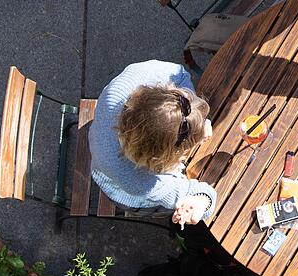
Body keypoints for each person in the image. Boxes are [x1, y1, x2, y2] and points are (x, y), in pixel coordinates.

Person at [89, 60, 216, 227]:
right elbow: (204, 195)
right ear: (164, 157)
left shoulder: (122, 88)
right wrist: (199, 204)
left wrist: (192, 119)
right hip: (121, 191)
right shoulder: (143, 182)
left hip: (100, 142)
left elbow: (179, 73)